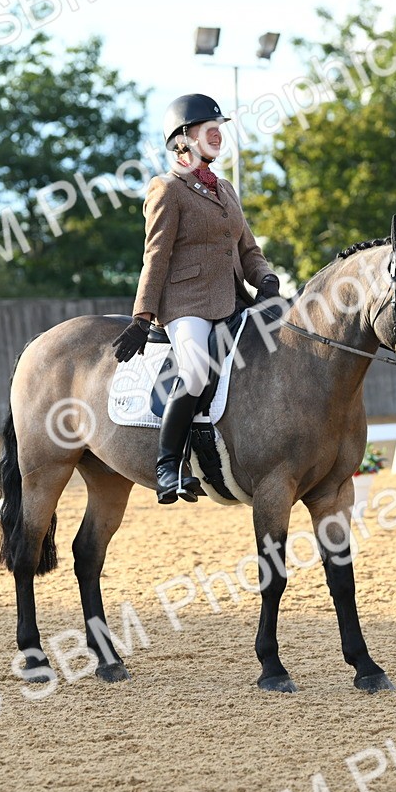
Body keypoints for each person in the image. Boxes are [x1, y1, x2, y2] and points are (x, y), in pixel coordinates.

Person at [111, 93, 281, 504]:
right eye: (211, 129)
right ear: (184, 138)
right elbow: (156, 255)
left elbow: (247, 250)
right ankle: (168, 466)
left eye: (221, 129)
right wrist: (142, 315)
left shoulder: (225, 189)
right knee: (195, 370)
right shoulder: (167, 189)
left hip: (234, 300)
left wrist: (267, 280)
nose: (219, 136)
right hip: (186, 305)